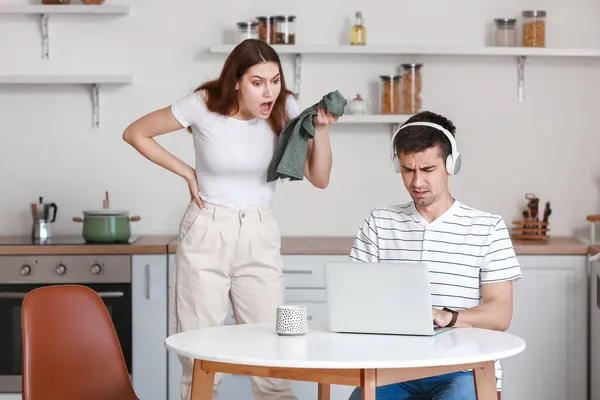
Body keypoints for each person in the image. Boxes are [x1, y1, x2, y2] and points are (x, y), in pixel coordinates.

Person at [122, 38, 339, 400]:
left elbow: (320, 178)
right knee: (200, 359)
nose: (269, 92)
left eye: (274, 80)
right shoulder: (203, 104)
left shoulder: (286, 107)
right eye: (258, 82)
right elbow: (136, 132)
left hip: (260, 231)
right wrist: (187, 173)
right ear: (236, 82)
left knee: (275, 356)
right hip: (207, 231)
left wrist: (322, 130)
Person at [347, 111, 522, 400]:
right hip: (393, 368)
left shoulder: (488, 227)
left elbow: (500, 314)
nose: (417, 182)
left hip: (464, 369)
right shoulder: (379, 222)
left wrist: (447, 317)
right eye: (407, 169)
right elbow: (353, 300)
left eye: (428, 169)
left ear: (451, 165)